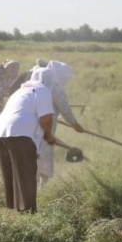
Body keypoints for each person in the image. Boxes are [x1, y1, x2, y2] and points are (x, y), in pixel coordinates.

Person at [0, 69, 56, 213]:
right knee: (26, 173)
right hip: (19, 133)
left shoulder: (21, 91)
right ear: (47, 80)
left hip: (0, 131)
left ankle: (13, 210)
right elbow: (46, 118)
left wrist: (45, 135)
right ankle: (28, 212)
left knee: (11, 172)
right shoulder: (42, 89)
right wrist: (49, 135)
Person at [33, 60, 84, 189]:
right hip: (46, 129)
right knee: (45, 156)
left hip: (31, 126)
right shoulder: (55, 85)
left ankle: (32, 187)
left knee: (33, 156)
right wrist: (75, 124)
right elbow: (64, 107)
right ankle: (42, 189)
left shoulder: (37, 81)